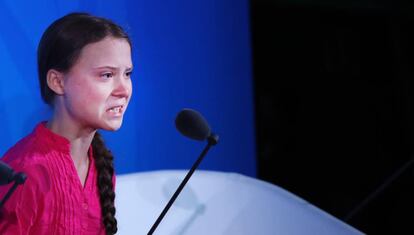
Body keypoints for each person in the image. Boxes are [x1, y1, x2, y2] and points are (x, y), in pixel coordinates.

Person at [0, 12, 133, 235]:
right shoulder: (25, 171)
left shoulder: (101, 166)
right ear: (58, 82)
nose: (123, 90)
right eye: (107, 75)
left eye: (127, 73)